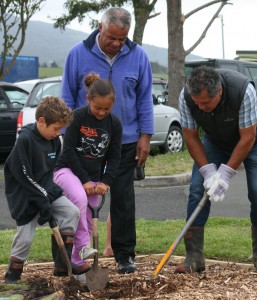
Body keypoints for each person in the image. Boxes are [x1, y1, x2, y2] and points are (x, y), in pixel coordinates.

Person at [60, 7, 154, 273]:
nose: (116, 43)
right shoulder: (77, 54)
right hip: (84, 145)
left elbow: (145, 99)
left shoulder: (139, 56)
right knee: (77, 199)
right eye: (112, 37)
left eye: (122, 39)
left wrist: (145, 136)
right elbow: (66, 96)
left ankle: (125, 256)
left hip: (124, 144)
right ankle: (70, 258)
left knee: (124, 199)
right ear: (100, 27)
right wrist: (65, 135)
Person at [175, 65, 257, 274]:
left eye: (206, 102)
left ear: (220, 91)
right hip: (215, 142)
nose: (201, 107)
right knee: (197, 189)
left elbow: (247, 137)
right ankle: (194, 256)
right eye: (198, 103)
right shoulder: (186, 96)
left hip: (256, 141)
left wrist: (225, 174)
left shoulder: (243, 91)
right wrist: (207, 171)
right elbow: (190, 135)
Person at [4, 96, 81, 284]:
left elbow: (48, 173)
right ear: (41, 121)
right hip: (24, 195)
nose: (58, 133)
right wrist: (42, 200)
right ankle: (12, 277)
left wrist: (47, 197)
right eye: (55, 129)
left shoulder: (55, 141)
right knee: (25, 238)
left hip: (44, 190)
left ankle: (63, 265)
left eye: (60, 129)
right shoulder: (25, 140)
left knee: (71, 212)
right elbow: (24, 175)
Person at [53, 73, 122, 270]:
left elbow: (114, 156)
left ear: (113, 104)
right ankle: (83, 247)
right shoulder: (78, 117)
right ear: (88, 99)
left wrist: (105, 181)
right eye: (97, 108)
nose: (101, 112)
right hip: (66, 170)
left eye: (106, 109)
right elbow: (68, 150)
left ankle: (77, 260)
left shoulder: (114, 124)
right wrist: (84, 180)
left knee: (90, 217)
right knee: (80, 201)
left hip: (93, 179)